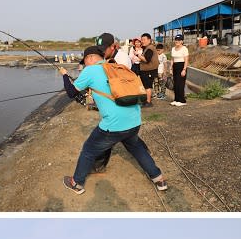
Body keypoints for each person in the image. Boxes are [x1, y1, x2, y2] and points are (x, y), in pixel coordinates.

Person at [59, 46, 168, 195]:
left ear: (90, 58)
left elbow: (71, 93)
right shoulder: (116, 66)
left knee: (89, 150)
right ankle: (159, 178)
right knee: (136, 148)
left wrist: (65, 75)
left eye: (84, 61)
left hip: (114, 125)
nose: (84, 64)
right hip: (134, 120)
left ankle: (76, 183)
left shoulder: (90, 70)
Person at [138, 33, 159, 106]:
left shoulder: (150, 48)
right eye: (141, 40)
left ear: (149, 40)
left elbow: (146, 60)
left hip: (149, 71)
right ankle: (147, 100)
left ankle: (148, 102)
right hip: (146, 70)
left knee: (148, 86)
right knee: (146, 86)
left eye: (144, 40)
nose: (142, 41)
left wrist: (138, 55)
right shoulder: (147, 47)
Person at [170, 34, 190, 106]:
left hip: (182, 66)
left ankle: (182, 101)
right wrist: (171, 68)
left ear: (182, 41)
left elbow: (186, 60)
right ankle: (176, 99)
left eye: (179, 40)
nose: (177, 41)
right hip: (175, 66)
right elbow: (172, 59)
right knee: (175, 84)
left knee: (180, 84)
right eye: (176, 40)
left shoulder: (184, 48)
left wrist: (184, 69)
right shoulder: (173, 48)